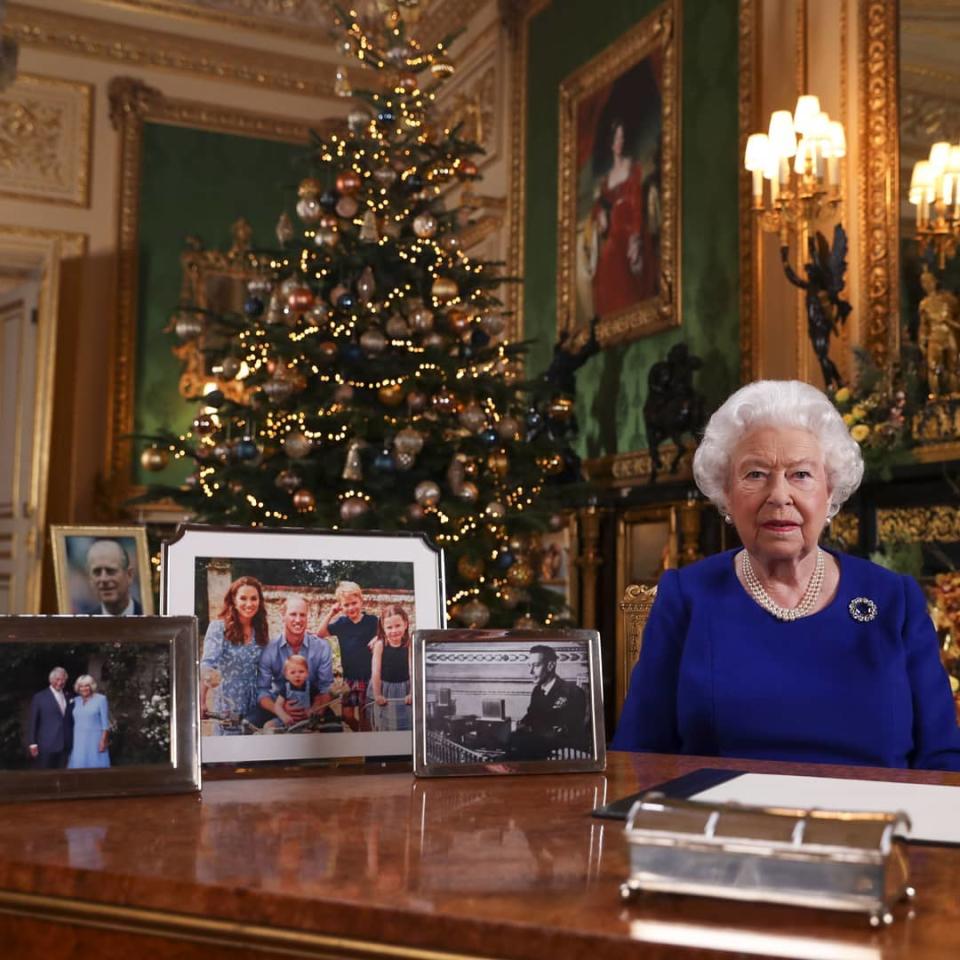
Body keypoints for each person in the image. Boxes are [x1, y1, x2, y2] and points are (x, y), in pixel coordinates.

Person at [613, 379, 960, 771]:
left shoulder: (895, 600)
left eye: (801, 475)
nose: (779, 495)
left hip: (872, 826)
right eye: (756, 474)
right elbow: (637, 754)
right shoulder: (687, 596)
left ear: (830, 493)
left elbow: (941, 758)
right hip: (722, 824)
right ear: (727, 493)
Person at [586, 118, 656, 317]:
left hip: (630, 232)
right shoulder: (606, 179)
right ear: (611, 142)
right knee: (606, 265)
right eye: (616, 138)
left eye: (622, 137)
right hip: (614, 234)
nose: (620, 142)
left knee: (624, 265)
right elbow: (599, 208)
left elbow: (636, 205)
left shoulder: (633, 168)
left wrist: (635, 239)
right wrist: (600, 215)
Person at [200, 576, 270, 732]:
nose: (249, 604)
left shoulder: (260, 630)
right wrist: (201, 700)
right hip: (228, 703)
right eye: (243, 598)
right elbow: (207, 665)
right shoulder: (218, 628)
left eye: (254, 598)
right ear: (234, 600)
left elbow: (266, 669)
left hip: (254, 705)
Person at [257, 595, 334, 727]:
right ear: (283, 616)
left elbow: (326, 688)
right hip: (278, 706)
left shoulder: (322, 647)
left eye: (302, 615)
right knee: (249, 725)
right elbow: (262, 691)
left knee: (334, 730)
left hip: (312, 706)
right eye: (293, 614)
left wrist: (315, 712)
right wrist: (280, 709)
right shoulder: (269, 649)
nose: (298, 620)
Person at [507, 645, 588, 760]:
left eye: (535, 666)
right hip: (537, 746)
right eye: (529, 666)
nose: (530, 671)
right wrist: (518, 725)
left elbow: (568, 731)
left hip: (561, 753)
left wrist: (529, 729)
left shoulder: (573, 692)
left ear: (550, 665)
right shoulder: (537, 690)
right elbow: (530, 717)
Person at [318, 582, 378, 732]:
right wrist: (331, 613)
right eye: (346, 605)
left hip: (367, 677)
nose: (351, 608)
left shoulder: (372, 621)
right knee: (347, 715)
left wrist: (378, 638)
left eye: (354, 603)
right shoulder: (341, 623)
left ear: (361, 601)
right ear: (341, 606)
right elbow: (320, 633)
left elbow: (385, 634)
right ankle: (359, 732)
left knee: (366, 715)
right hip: (349, 679)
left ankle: (366, 739)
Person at [917, 265, 960, 398]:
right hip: (934, 337)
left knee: (953, 367)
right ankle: (935, 397)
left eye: (929, 281)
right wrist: (922, 340)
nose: (927, 285)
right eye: (923, 282)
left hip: (949, 335)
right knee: (933, 367)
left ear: (936, 281)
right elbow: (923, 326)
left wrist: (948, 322)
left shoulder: (949, 300)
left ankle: (954, 395)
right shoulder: (924, 304)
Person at [370, 605, 412, 732]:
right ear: (383, 628)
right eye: (389, 627)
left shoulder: (410, 644)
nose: (394, 631)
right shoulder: (380, 645)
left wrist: (412, 693)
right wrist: (377, 694)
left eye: (398, 626)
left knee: (406, 724)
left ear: (405, 624)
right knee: (385, 725)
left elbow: (413, 670)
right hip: (385, 688)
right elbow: (376, 672)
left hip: (404, 689)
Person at [79, 539, 142, 616]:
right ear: (90, 579)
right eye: (97, 572)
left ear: (129, 575)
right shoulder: (83, 625)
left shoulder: (150, 617)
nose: (103, 579)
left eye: (111, 571)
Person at [28, 666, 73, 768]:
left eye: (63, 680)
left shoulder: (69, 696)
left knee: (62, 777)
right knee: (45, 777)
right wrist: (32, 743)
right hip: (46, 745)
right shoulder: (39, 697)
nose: (60, 682)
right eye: (57, 679)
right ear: (51, 679)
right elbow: (33, 721)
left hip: (64, 745)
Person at [67, 675, 110, 769]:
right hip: (78, 740)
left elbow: (105, 724)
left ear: (91, 686)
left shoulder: (101, 699)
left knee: (95, 768)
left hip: (95, 740)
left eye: (87, 685)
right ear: (78, 687)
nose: (84, 688)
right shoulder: (75, 701)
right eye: (81, 686)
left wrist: (103, 741)